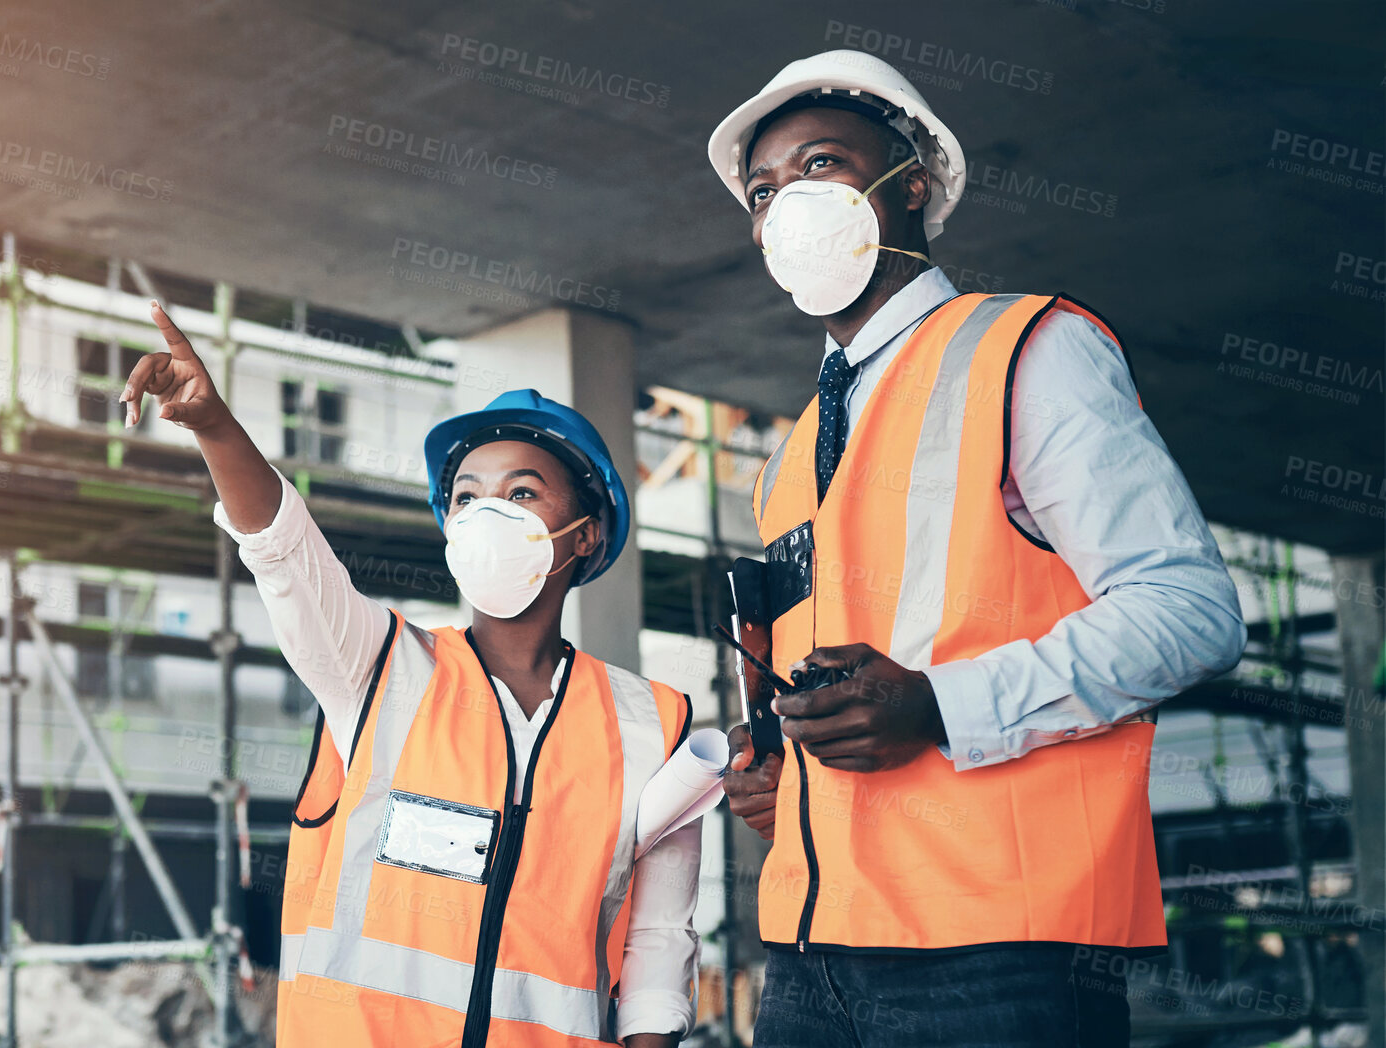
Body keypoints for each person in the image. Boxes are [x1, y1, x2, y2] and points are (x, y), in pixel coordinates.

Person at [705, 50, 1247, 1046]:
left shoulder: (1022, 349)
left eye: (818, 165)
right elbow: (850, 666)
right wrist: (786, 777)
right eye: (762, 190)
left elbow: (1189, 611)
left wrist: (941, 705)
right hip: (806, 953)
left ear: (908, 184)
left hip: (995, 950)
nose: (784, 204)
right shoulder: (786, 462)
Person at [119, 302, 700, 1047]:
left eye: (522, 493)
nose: (487, 513)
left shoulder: (654, 722)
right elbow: (286, 556)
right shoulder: (379, 668)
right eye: (466, 497)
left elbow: (657, 947)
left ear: (583, 535)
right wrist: (216, 429)